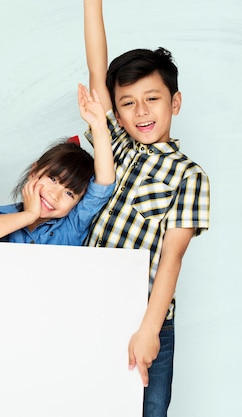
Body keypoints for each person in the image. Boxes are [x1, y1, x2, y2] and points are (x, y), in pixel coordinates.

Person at [83, 1, 211, 415]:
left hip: (146, 318)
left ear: (174, 103)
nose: (141, 111)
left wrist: (150, 329)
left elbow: (171, 258)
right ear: (116, 112)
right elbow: (96, 67)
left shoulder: (190, 175)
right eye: (128, 103)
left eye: (152, 99)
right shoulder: (115, 146)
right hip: (88, 301)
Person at [0, 84, 115, 246]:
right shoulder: (3, 215)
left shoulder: (72, 226)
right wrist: (30, 214)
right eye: (53, 179)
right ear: (34, 171)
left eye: (69, 193)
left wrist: (99, 126)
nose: (54, 194)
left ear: (77, 203)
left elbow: (103, 185)